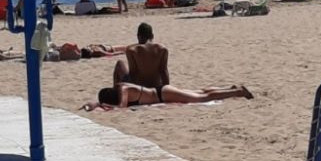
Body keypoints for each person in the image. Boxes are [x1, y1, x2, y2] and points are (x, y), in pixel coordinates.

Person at [83, 83, 253, 110]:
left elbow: (121, 106)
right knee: (201, 93)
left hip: (163, 94)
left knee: (202, 98)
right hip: (162, 93)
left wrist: (99, 105)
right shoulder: (121, 86)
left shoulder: (123, 89)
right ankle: (230, 88)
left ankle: (237, 92)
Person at [112, 22, 169, 90]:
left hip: (139, 88)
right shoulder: (162, 49)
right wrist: (167, 90)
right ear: (152, 36)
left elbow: (133, 73)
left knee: (120, 64)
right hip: (156, 86)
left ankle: (115, 92)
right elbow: (164, 72)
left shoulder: (132, 50)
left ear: (138, 36)